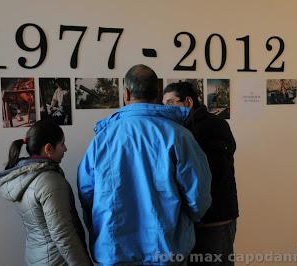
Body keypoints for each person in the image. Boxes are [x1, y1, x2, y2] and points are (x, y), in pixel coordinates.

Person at [77, 64, 212, 265]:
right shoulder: (179, 135)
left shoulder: (102, 140)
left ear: (126, 93)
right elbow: (198, 197)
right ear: (157, 93)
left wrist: (102, 225)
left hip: (115, 252)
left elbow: (87, 193)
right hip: (166, 250)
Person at [0, 120, 92, 266]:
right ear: (48, 148)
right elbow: (63, 234)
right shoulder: (50, 181)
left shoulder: (24, 175)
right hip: (57, 260)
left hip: (36, 257)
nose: (65, 149)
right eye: (62, 144)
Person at [163, 82, 239, 266]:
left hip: (215, 220)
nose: (165, 110)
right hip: (196, 219)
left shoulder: (214, 126)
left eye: (170, 103)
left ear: (188, 101)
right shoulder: (181, 130)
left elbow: (215, 172)